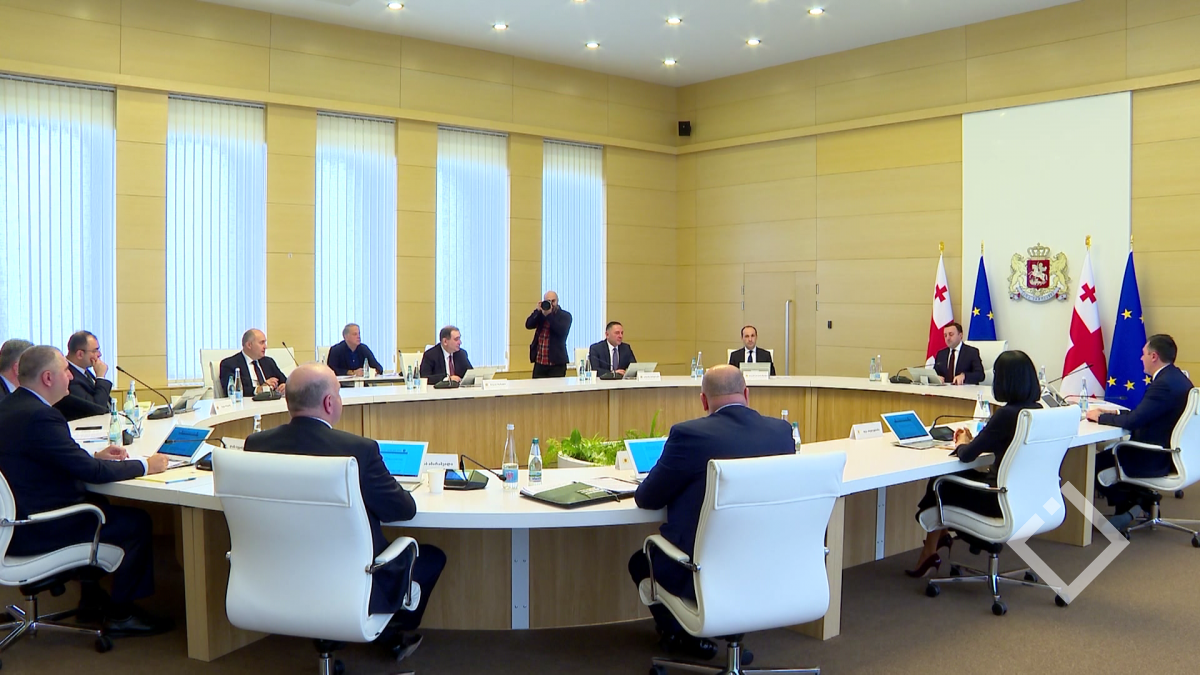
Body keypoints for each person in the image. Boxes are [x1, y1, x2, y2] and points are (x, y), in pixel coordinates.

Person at [244, 364, 445, 662]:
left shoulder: (256, 445)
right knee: (431, 557)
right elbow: (403, 509)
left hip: (279, 577)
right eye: (338, 394)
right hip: (352, 583)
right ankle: (390, 632)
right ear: (329, 403)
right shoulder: (359, 450)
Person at [0, 346, 172, 635]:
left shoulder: (11, 407)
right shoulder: (42, 417)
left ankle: (91, 598)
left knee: (98, 502)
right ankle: (121, 614)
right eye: (66, 371)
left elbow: (43, 456)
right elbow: (93, 473)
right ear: (47, 378)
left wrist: (93, 457)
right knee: (136, 522)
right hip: (36, 529)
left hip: (11, 523)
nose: (71, 376)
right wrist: (146, 465)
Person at [628, 365, 794, 660]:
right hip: (767, 564)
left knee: (642, 561)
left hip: (701, 571)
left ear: (703, 400)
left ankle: (682, 637)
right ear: (746, 394)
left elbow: (646, 498)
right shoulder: (781, 433)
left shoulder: (689, 435)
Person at [906, 350, 1042, 577]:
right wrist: (975, 442)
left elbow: (967, 455)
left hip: (996, 500)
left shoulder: (1006, 415)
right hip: (1027, 497)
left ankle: (932, 546)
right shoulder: (1038, 412)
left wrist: (962, 442)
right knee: (948, 482)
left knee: (941, 482)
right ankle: (936, 542)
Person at [1086, 334, 1194, 529]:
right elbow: (1148, 414)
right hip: (1173, 453)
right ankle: (1137, 502)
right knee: (1105, 458)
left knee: (1090, 465)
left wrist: (1099, 418)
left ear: (1154, 356)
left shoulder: (1163, 384)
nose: (1141, 358)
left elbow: (1134, 421)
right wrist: (1115, 412)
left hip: (1153, 456)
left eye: (1143, 354)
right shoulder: (1177, 378)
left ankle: (1137, 502)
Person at [54, 330, 114, 420]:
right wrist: (100, 377)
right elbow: (98, 408)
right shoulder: (67, 376)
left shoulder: (82, 370)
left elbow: (105, 401)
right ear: (80, 354)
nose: (99, 354)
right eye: (95, 351)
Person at [218, 329, 287, 397]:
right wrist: (258, 390)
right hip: (246, 403)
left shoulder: (268, 362)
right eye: (261, 343)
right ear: (249, 345)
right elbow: (231, 390)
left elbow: (285, 381)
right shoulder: (229, 364)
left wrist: (284, 386)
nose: (265, 347)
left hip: (271, 402)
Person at [525, 291, 573, 379]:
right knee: (536, 387)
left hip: (557, 364)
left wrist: (549, 315)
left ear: (558, 301)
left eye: (553, 301)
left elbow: (561, 331)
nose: (551, 304)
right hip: (540, 362)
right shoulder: (540, 314)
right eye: (548, 301)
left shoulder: (565, 316)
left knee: (556, 388)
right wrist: (537, 311)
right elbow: (528, 325)